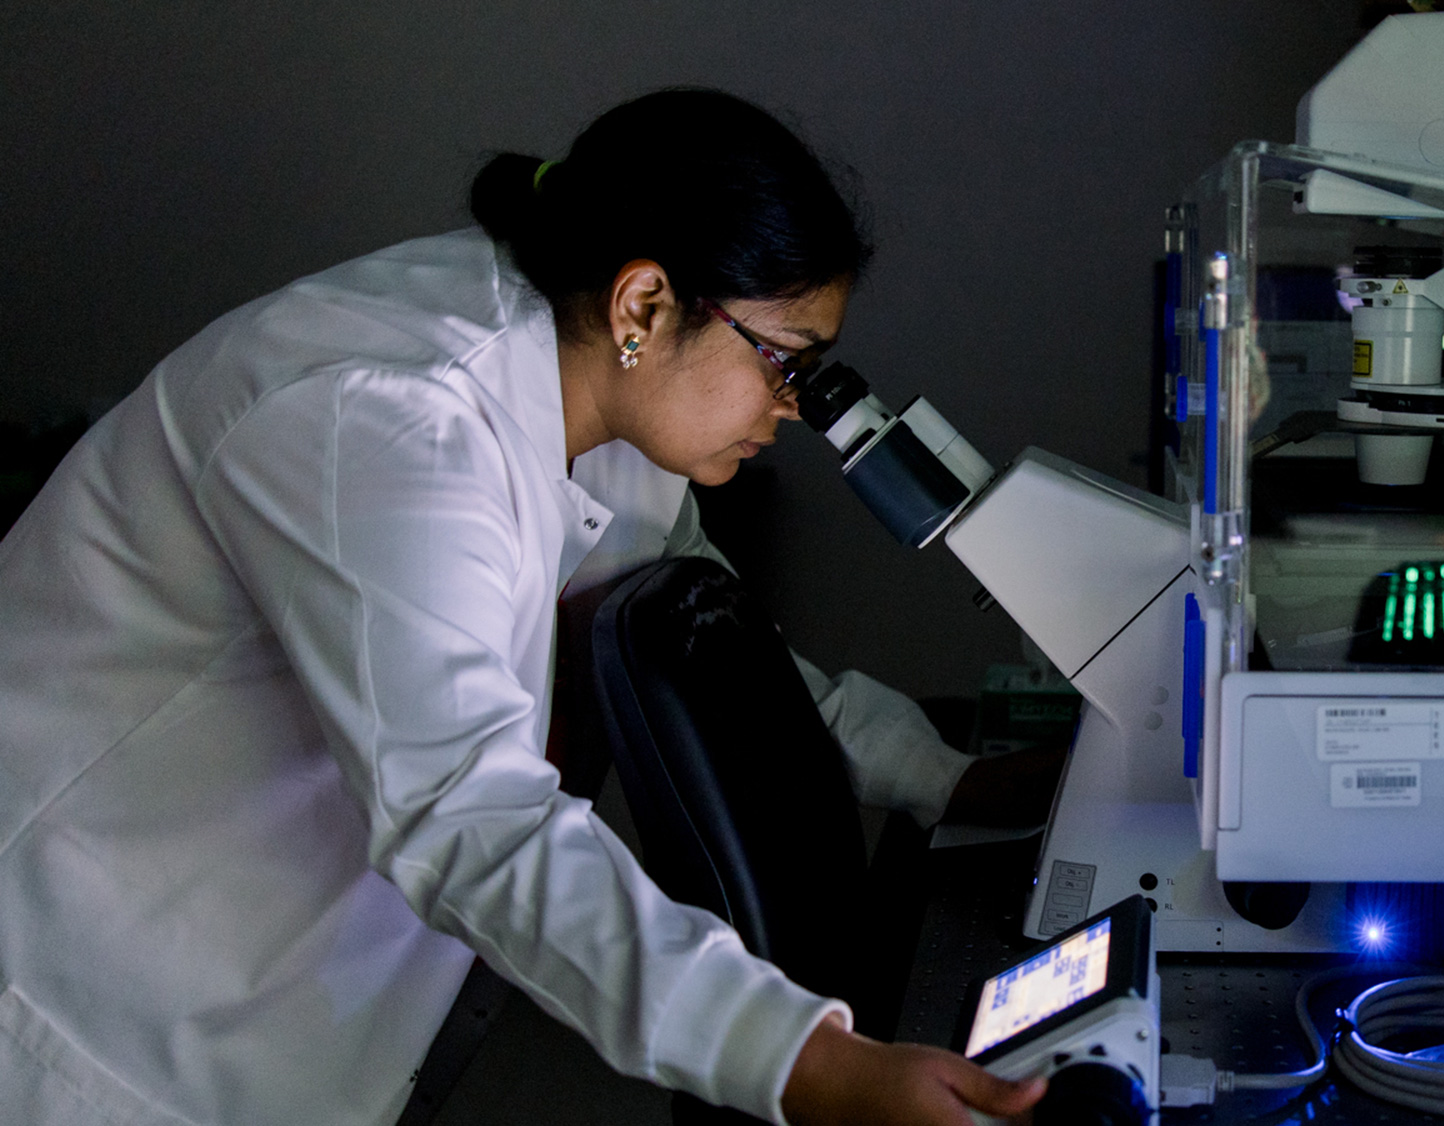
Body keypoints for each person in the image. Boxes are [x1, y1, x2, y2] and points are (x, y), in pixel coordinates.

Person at [0, 88, 1047, 1125]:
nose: (790, 411)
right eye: (785, 365)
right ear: (645, 303)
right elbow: (471, 812)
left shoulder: (598, 396)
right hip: (75, 991)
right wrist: (808, 1064)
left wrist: (943, 778)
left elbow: (721, 651)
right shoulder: (390, 419)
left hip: (257, 975)